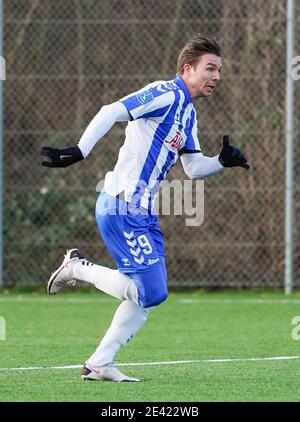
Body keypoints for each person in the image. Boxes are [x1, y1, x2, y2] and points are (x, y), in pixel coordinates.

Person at [41, 34, 249, 382]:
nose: (216, 77)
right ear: (187, 69)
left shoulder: (187, 115)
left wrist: (222, 161)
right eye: (210, 69)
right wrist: (79, 150)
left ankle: (98, 364)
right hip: (122, 203)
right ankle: (77, 268)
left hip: (144, 212)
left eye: (219, 71)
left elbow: (194, 169)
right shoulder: (165, 93)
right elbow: (112, 111)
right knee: (151, 292)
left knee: (148, 297)